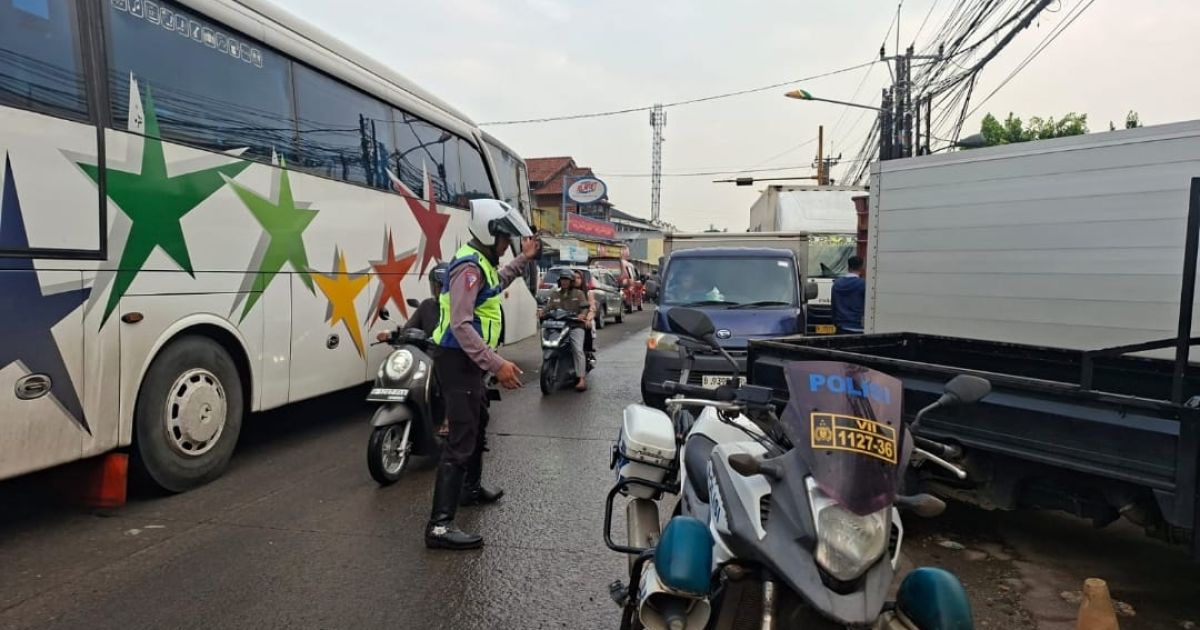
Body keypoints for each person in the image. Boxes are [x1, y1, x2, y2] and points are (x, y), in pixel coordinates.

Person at [425, 199, 539, 550]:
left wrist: (524, 259)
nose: (507, 247)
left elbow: (496, 283)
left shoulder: (484, 265)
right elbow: (460, 325)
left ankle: (470, 490)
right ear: (489, 234)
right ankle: (439, 528)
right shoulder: (468, 268)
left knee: (479, 419)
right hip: (457, 359)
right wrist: (497, 364)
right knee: (461, 437)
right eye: (505, 240)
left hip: (468, 361)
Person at [541, 272, 592, 391]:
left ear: (571, 282)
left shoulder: (578, 294)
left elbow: (585, 307)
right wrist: (542, 312)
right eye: (562, 279)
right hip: (558, 326)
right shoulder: (555, 294)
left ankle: (581, 380)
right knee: (550, 343)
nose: (564, 282)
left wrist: (582, 315)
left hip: (575, 326)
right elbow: (548, 307)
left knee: (577, 349)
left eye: (567, 280)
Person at [376, 263, 447, 342]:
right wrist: (391, 334)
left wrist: (426, 338)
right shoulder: (427, 305)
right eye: (433, 286)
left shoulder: (458, 309)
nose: (435, 290)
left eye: (439, 286)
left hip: (449, 353)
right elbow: (408, 330)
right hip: (425, 353)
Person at [831, 255, 866, 334]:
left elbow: (833, 306)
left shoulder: (836, 284)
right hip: (858, 326)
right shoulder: (863, 284)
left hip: (841, 327)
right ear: (861, 268)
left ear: (848, 267)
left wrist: (835, 323)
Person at [573, 270, 597, 359]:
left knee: (587, 326)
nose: (576, 280)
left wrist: (588, 319)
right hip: (570, 318)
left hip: (584, 319)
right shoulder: (567, 292)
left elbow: (592, 309)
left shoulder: (588, 293)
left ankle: (587, 351)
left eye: (578, 278)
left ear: (582, 280)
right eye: (574, 278)